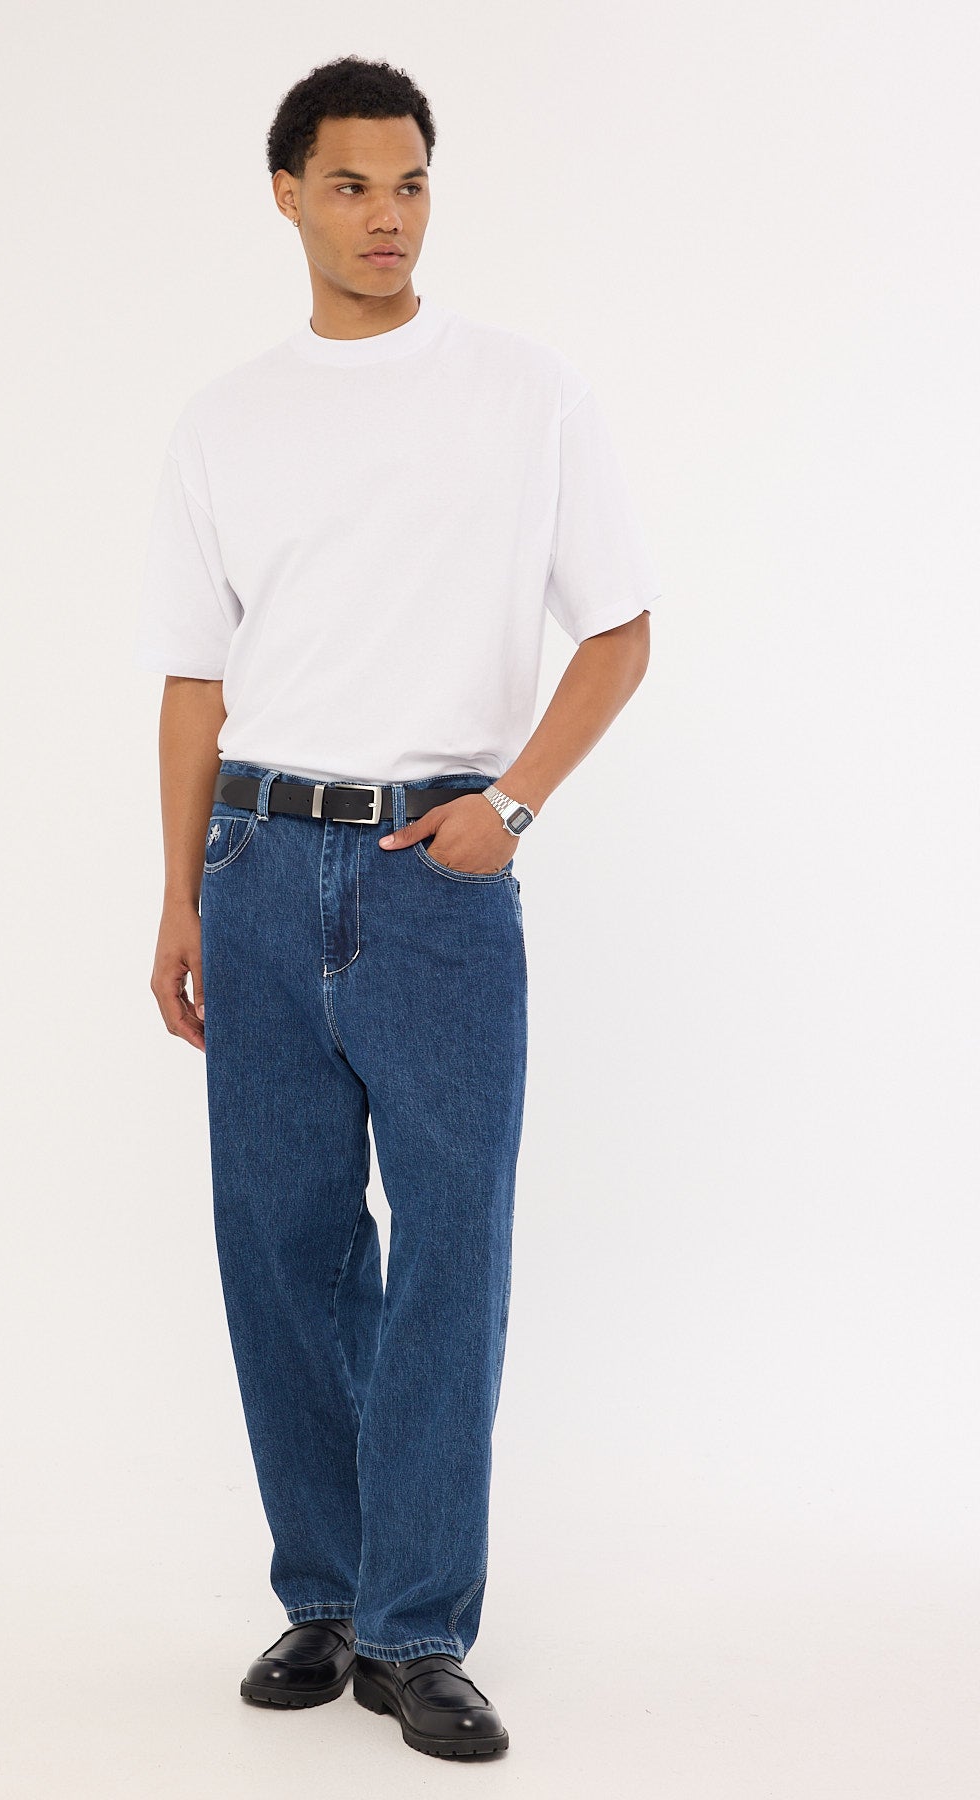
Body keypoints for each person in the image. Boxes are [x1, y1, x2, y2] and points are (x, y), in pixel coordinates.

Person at [133, 54, 661, 1761]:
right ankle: (328, 1592)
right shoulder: (224, 421)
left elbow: (622, 628)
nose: (388, 215)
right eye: (354, 184)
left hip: (438, 873)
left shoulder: (525, 392)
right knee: (283, 1243)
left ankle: (420, 1627)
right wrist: (177, 897)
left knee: (451, 1252)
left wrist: (513, 807)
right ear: (287, 193)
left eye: (413, 182)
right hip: (259, 862)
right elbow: (195, 681)